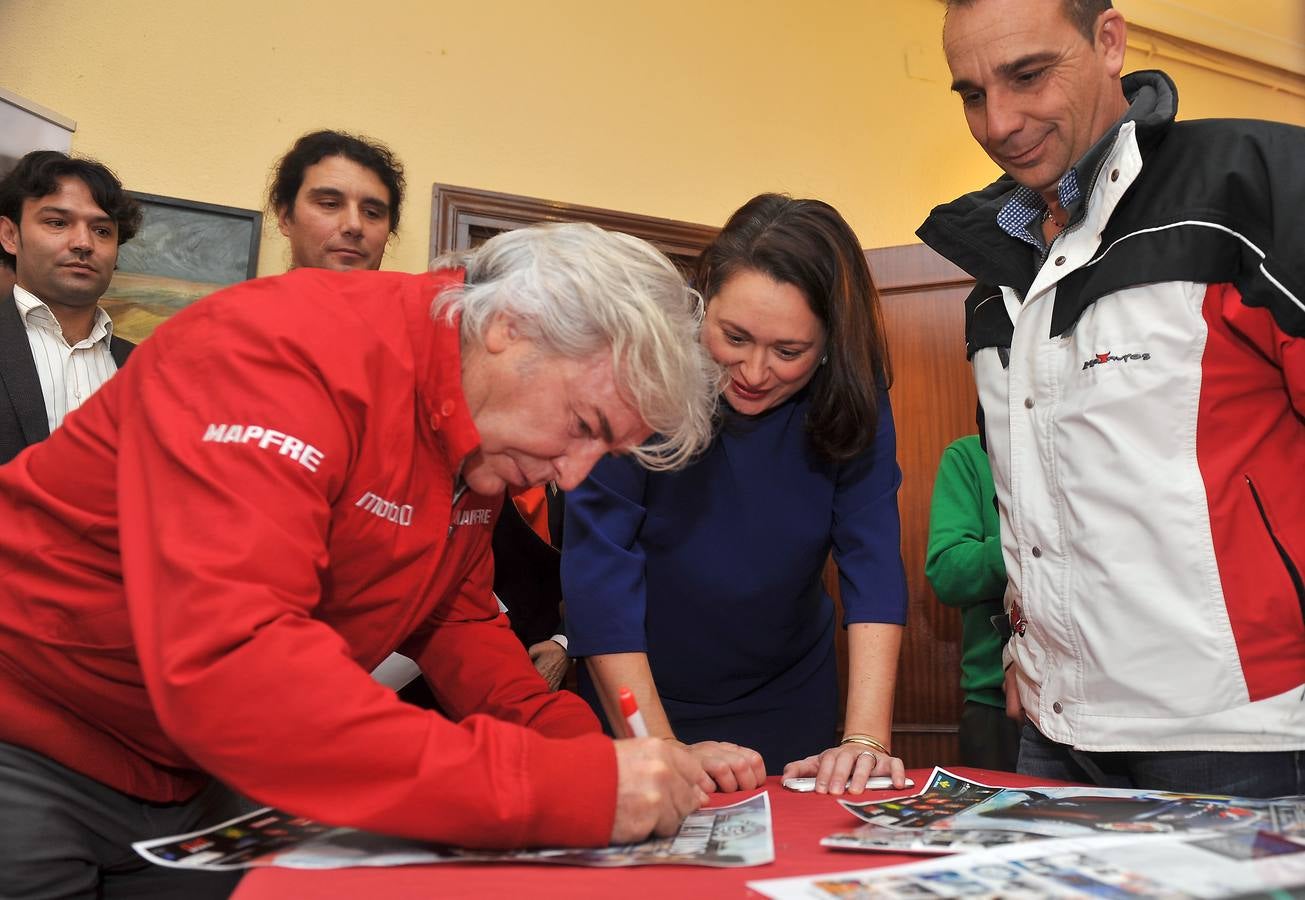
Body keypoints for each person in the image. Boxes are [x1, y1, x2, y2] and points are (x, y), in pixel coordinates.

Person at [0, 222, 719, 898]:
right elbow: (237, 668)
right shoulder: (278, 350)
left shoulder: (482, 432)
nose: (573, 476)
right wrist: (563, 788)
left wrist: (614, 766)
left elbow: (458, 623)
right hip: (29, 733)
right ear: (512, 327)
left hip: (193, 771)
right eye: (584, 427)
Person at [916, 0, 1305, 796]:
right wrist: (1030, 652)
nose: (999, 121)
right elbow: (1036, 504)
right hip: (1053, 731)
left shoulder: (1252, 183)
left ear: (1108, 41)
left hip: (1240, 733)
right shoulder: (995, 279)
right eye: (970, 93)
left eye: (1027, 75)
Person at [563, 193, 909, 796]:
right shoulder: (636, 378)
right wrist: (659, 745)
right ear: (701, 307)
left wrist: (865, 740)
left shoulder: (853, 400)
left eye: (788, 352)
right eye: (734, 337)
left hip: (786, 694)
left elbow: (872, 559)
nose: (752, 372)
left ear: (829, 346)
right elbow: (600, 569)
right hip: (635, 687)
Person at [0, 150, 142, 464]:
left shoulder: (144, 370)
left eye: (102, 230)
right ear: (10, 235)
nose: (83, 242)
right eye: (57, 222)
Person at [925, 435, 1019, 771]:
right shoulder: (970, 455)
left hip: (1109, 700)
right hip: (996, 702)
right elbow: (947, 571)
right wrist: (1027, 546)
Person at [267, 129, 404, 271]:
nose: (354, 225)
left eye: (371, 213)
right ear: (285, 218)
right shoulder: (248, 294)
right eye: (330, 204)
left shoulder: (419, 292)